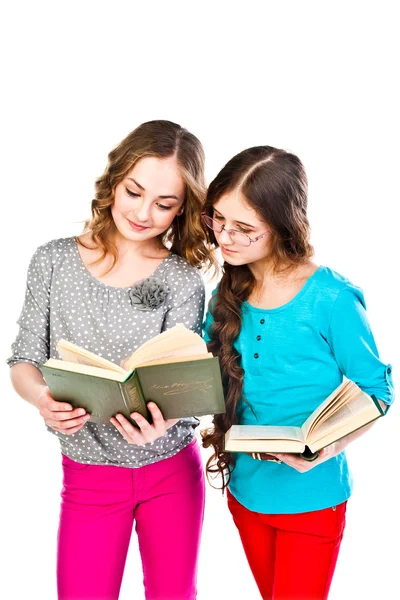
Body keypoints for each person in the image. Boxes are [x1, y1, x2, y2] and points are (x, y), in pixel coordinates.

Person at [8, 120, 215, 600]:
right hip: (88, 473)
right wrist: (42, 398)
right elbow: (23, 360)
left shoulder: (181, 280)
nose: (144, 213)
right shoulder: (53, 262)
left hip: (170, 471)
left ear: (183, 209)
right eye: (134, 192)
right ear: (114, 181)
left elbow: (186, 383)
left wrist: (164, 423)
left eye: (165, 205)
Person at [201, 146, 394, 600]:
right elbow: (200, 367)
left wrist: (327, 449)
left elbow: (376, 389)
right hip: (245, 491)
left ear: (282, 227)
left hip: (313, 499)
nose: (224, 237)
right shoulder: (230, 286)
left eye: (244, 228)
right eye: (218, 219)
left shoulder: (332, 297)